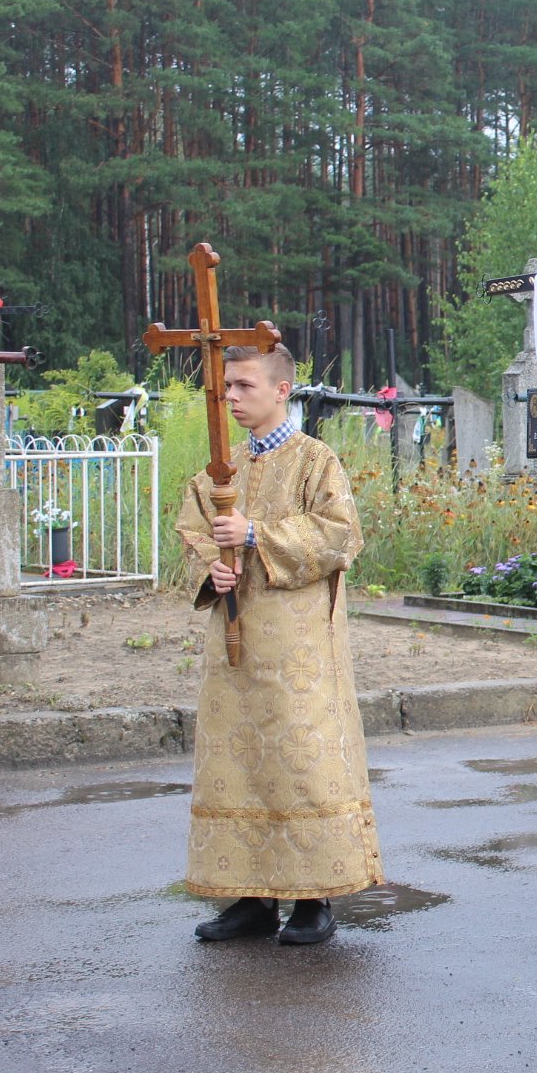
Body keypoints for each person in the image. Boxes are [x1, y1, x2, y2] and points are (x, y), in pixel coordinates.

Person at [175, 343, 384, 945]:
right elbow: (192, 533)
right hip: (235, 647)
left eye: (243, 386)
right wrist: (209, 571)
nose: (232, 398)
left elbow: (342, 536)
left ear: (281, 389)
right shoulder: (222, 469)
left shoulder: (316, 461)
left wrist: (256, 534)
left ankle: (313, 898)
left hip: (299, 650)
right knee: (240, 763)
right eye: (227, 388)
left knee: (301, 761)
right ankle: (252, 897)